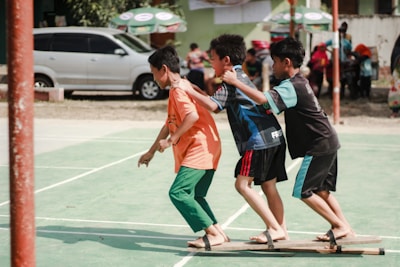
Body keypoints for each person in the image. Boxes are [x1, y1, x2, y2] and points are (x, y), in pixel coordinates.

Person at [221, 37, 354, 242]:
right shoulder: (297, 83)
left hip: (319, 144)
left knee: (304, 191)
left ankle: (339, 225)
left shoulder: (291, 86)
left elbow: (264, 99)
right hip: (328, 141)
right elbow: (268, 105)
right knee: (322, 190)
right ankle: (346, 228)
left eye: (274, 61)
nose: (273, 66)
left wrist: (235, 82)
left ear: (286, 62)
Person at [185, 34, 289, 244]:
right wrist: (197, 91)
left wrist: (187, 89)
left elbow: (214, 106)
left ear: (226, 60)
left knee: (242, 185)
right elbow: (216, 99)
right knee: (269, 186)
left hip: (258, 141)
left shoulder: (230, 80)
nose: (210, 63)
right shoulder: (241, 76)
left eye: (212, 58)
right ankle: (281, 229)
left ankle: (274, 228)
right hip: (275, 137)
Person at [138, 46, 228, 249]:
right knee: (195, 195)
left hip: (200, 147)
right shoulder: (183, 85)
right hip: (210, 145)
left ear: (164, 69)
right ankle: (218, 231)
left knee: (178, 192)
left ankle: (213, 234)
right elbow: (168, 123)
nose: (154, 79)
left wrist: (171, 141)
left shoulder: (178, 90)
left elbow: (192, 116)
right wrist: (151, 151)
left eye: (154, 74)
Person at [389, 35, 400, 118]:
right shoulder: (398, 47)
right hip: (398, 72)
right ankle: (395, 111)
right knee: (395, 91)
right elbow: (396, 57)